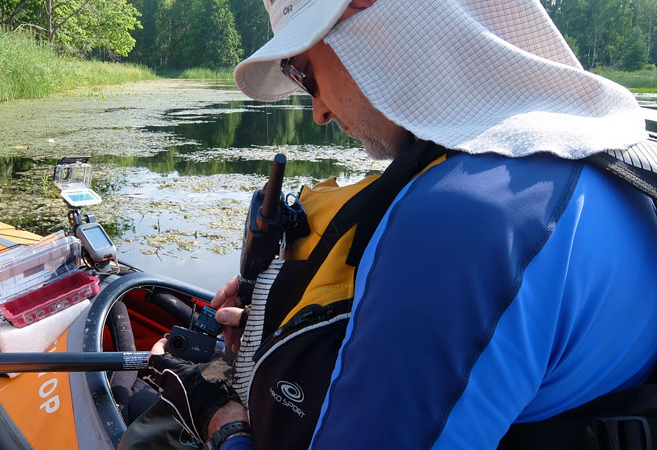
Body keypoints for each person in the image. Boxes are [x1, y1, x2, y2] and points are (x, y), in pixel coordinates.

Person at [147, 0, 657, 449]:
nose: (319, 111)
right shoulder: (620, 157)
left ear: (367, 14)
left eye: (305, 73)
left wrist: (224, 423)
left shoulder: (464, 220)